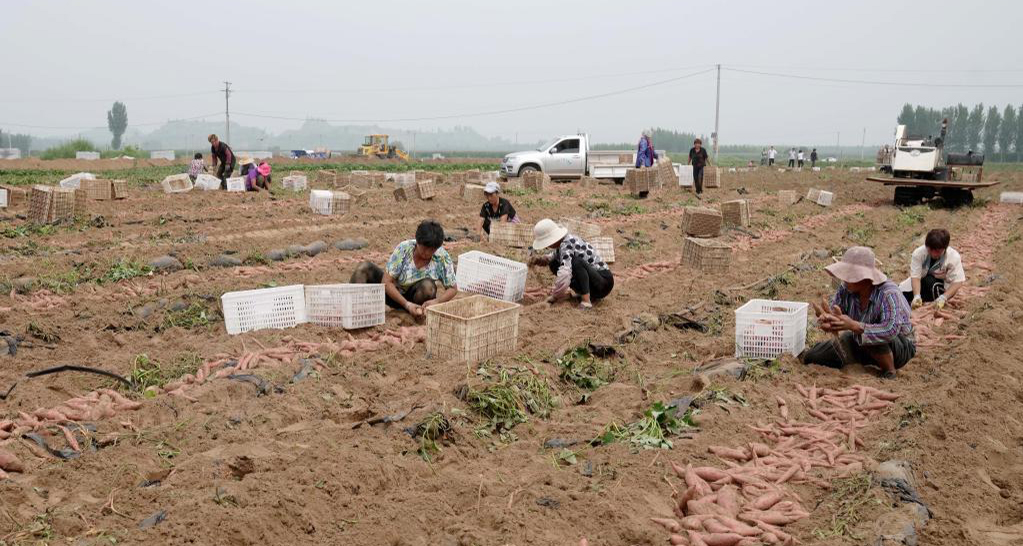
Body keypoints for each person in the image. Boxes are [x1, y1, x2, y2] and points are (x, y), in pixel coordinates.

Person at [801, 247, 916, 379]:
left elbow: (891, 330)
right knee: (813, 356)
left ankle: (889, 371)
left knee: (865, 336)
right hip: (859, 340)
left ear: (866, 278)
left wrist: (855, 326)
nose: (845, 279)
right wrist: (830, 320)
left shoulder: (888, 293)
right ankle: (863, 358)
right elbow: (837, 314)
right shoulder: (845, 289)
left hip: (899, 347)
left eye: (851, 276)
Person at [350, 220, 457, 318]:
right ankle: (352, 309)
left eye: (432, 250)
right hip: (394, 294)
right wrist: (406, 304)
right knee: (363, 268)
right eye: (424, 248)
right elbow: (386, 282)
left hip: (418, 299)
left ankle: (415, 313)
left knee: (428, 287)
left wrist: (437, 301)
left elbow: (453, 288)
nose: (427, 253)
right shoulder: (404, 249)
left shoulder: (442, 257)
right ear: (417, 242)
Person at [527, 219, 613, 310]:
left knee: (576, 262)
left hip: (603, 283)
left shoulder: (567, 243)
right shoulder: (562, 244)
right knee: (554, 263)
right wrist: (539, 260)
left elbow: (565, 273)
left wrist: (556, 295)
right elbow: (552, 257)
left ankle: (586, 301)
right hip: (594, 283)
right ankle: (583, 292)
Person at [900, 228, 965, 309]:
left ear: (944, 248)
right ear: (927, 246)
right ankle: (915, 301)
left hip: (940, 286)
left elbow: (958, 281)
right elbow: (915, 276)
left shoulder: (953, 257)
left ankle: (928, 303)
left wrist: (944, 297)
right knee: (900, 293)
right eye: (931, 250)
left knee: (930, 284)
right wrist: (916, 295)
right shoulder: (918, 253)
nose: (934, 254)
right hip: (923, 281)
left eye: (938, 251)